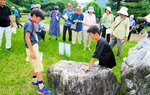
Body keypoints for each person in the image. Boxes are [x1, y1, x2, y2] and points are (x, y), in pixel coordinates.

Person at [24, 9, 51, 94]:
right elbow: (27, 38)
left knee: (34, 65)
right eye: (39, 19)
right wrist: (32, 52)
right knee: (39, 67)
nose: (39, 21)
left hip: (32, 46)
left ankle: (35, 81)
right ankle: (41, 88)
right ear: (34, 16)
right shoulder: (29, 24)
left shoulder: (30, 23)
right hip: (32, 47)